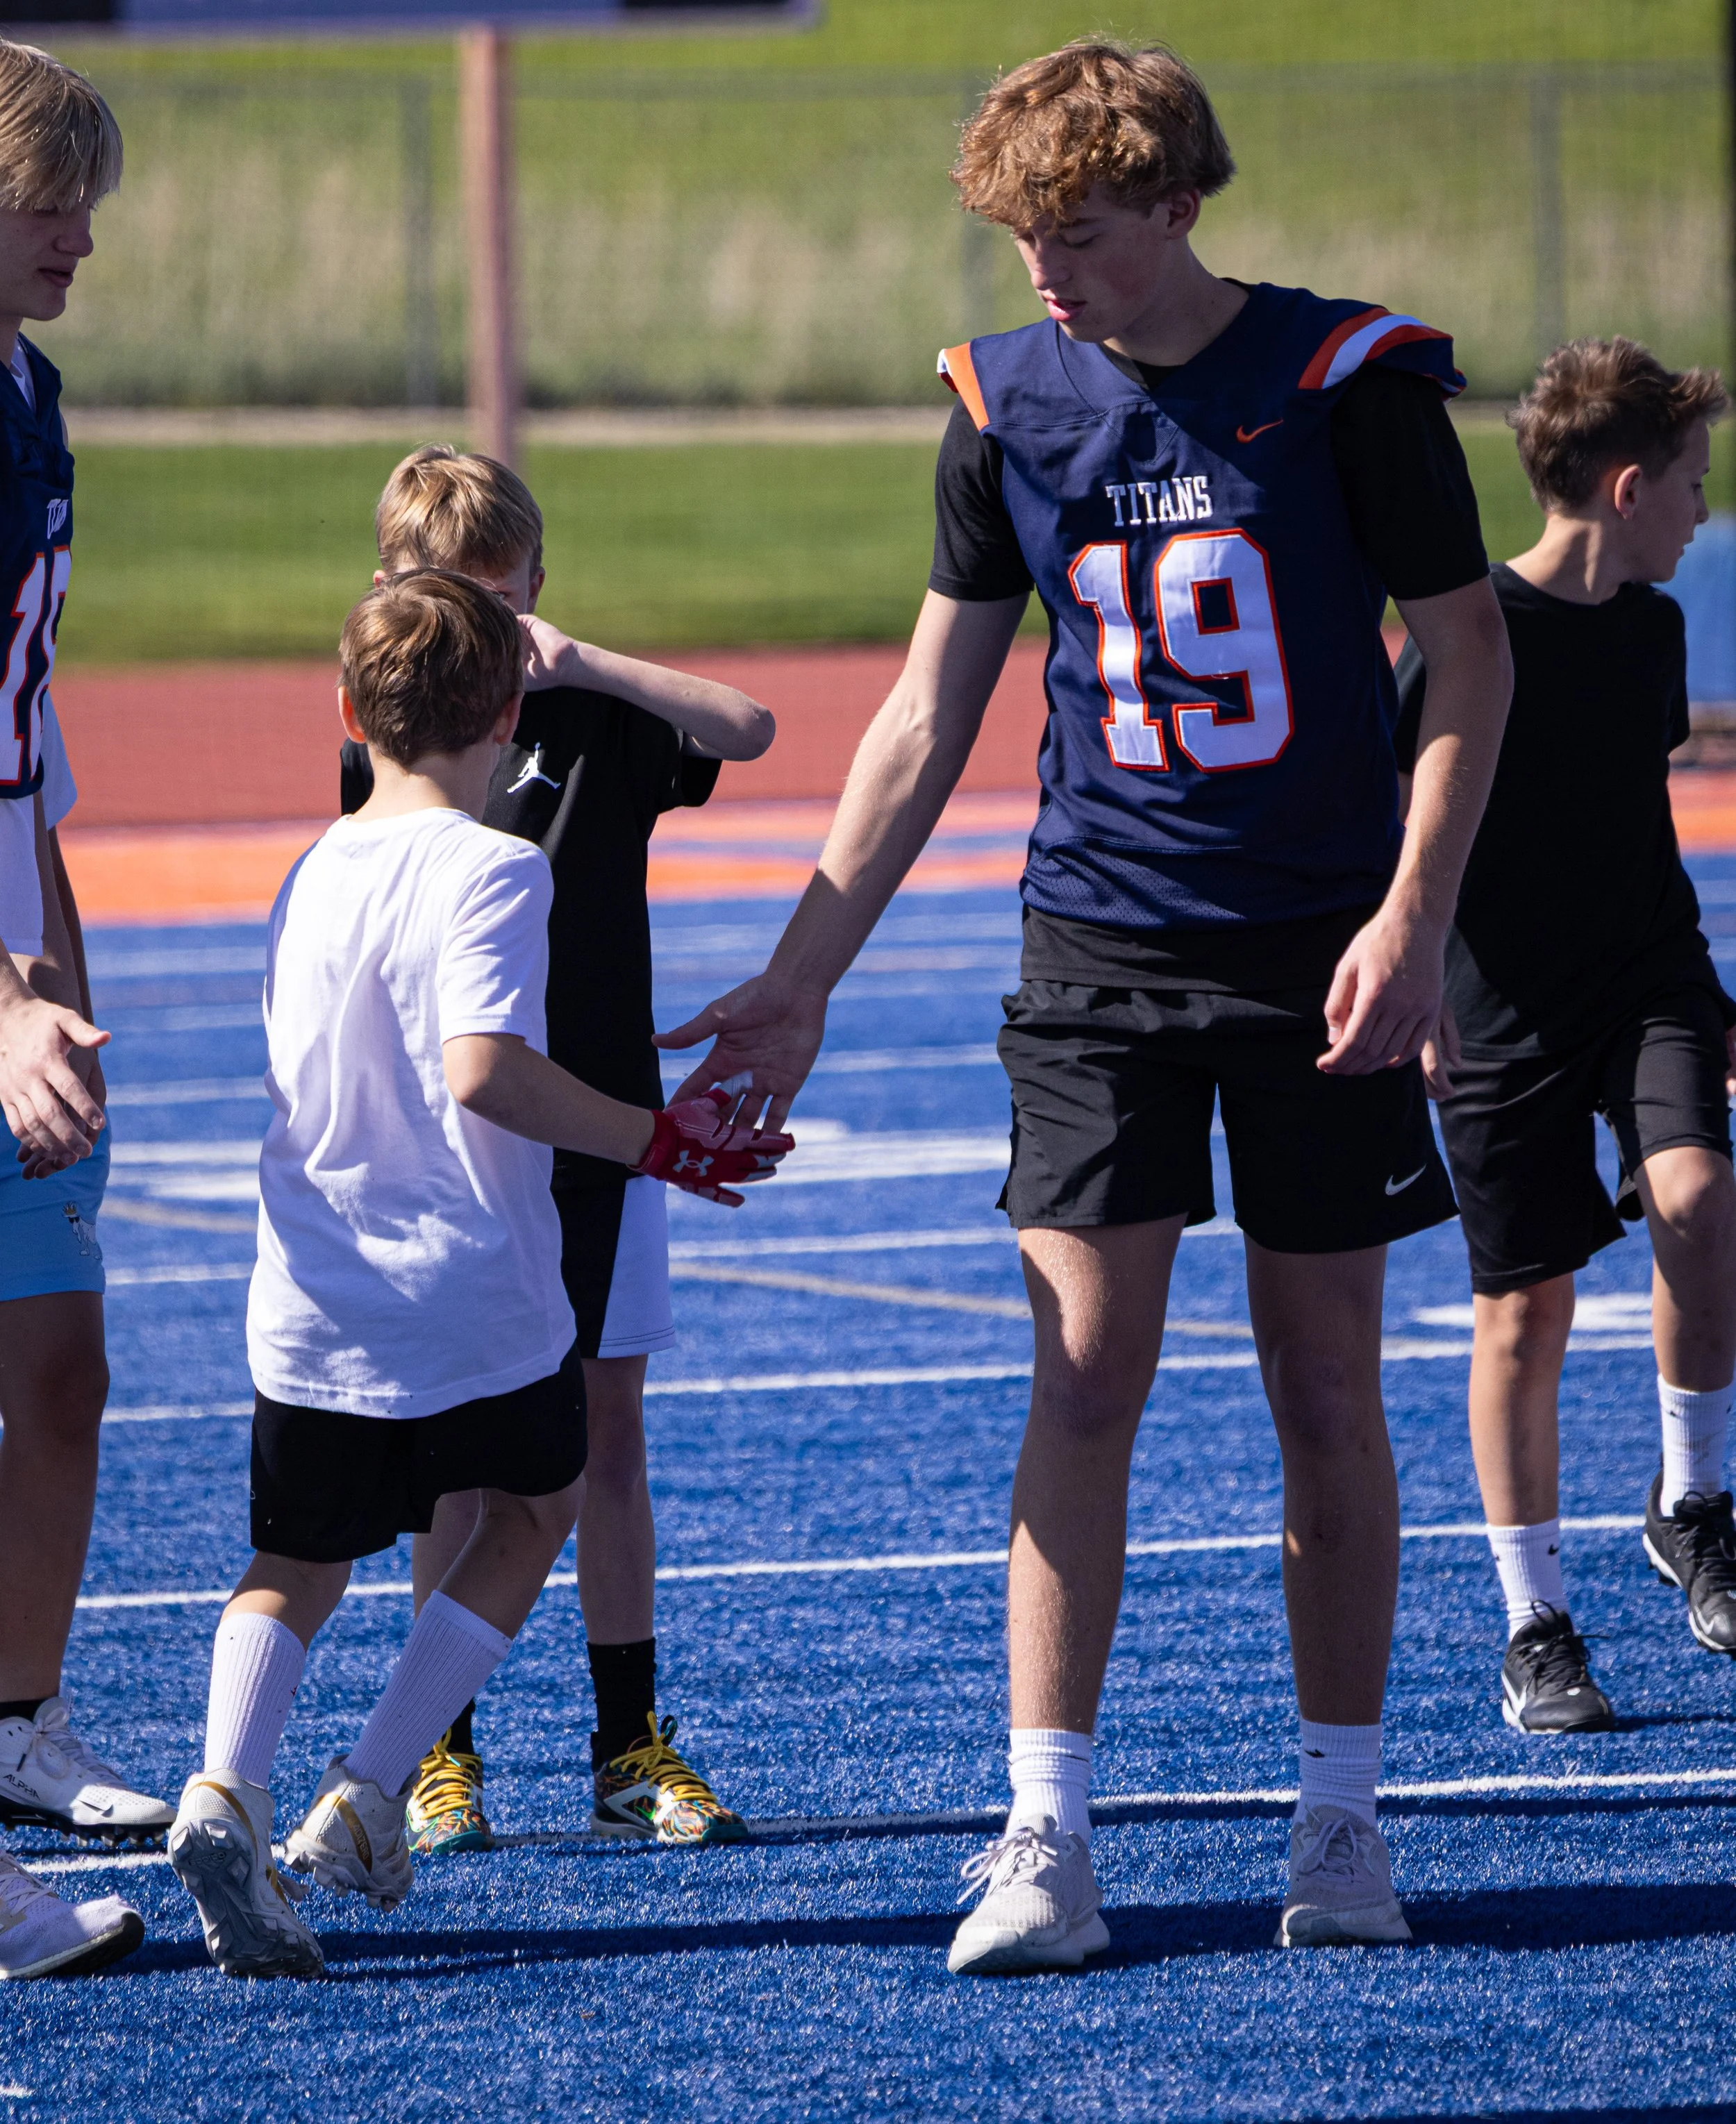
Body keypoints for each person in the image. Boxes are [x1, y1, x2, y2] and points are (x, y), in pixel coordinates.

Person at [657, 39, 1512, 1966]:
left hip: (1319, 952)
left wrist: (1413, 907)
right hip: (1095, 953)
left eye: (1087, 230)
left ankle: (1342, 1820)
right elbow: (922, 714)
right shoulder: (1001, 405)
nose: (1049, 270)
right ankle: (1043, 1831)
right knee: (1080, 1378)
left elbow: (1463, 660)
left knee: (1321, 1392)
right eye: (1025, 232)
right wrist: (802, 973)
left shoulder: (1342, 386)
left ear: (1181, 201)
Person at [169, 571, 788, 1980]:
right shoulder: (500, 865)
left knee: (298, 1558)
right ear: (509, 718)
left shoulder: (309, 864)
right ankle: (372, 1782)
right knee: (531, 1503)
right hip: (465, 1276)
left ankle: (222, 1785)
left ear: (348, 713)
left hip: (308, 1287)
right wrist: (654, 1138)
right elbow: (486, 1070)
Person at [339, 447, 776, 1855]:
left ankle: (627, 1736)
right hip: (465, 1137)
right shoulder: (398, 743)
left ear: (534, 587)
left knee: (605, 1432)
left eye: (500, 589)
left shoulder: (598, 716)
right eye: (440, 591)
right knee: (458, 1455)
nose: (477, 617)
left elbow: (751, 725)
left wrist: (585, 657)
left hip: (605, 1128)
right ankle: (433, 1748)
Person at [1394, 338, 1736, 1733]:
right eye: (1690, 486)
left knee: (1700, 1194)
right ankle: (1534, 1623)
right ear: (1621, 485)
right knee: (1519, 1310)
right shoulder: (1463, 634)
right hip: (1494, 1011)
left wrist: (1705, 997)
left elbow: (1630, 827)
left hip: (1643, 976)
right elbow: (1395, 832)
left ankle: (1691, 1496)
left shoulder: (1648, 631)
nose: (1700, 513)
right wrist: (1403, 973)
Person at [0, 37, 165, 1980]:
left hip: (17, 946)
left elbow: (20, 741)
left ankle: (16, 1727)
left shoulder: (32, 398)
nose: (85, 241)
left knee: (59, 1370)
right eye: (56, 198)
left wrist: (60, 957)